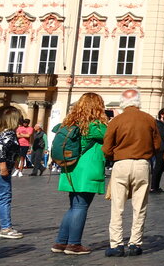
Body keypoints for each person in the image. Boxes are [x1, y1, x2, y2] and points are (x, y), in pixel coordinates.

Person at [103, 95, 161, 256]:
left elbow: (107, 146)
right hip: (142, 163)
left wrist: (112, 156)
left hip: (121, 163)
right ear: (138, 103)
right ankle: (135, 243)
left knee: (117, 207)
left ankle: (116, 244)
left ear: (123, 103)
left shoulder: (117, 120)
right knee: (140, 206)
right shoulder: (149, 119)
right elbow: (157, 144)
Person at [52, 92, 108, 255]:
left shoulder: (70, 122)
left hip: (71, 167)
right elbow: (111, 135)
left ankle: (61, 242)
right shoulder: (95, 125)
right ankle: (74, 244)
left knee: (74, 206)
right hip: (87, 169)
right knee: (81, 206)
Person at [0, 105, 23, 239]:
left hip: (6, 168)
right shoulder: (7, 134)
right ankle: (6, 228)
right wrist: (3, 167)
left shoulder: (7, 133)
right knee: (4, 198)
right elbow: (0, 149)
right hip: (2, 171)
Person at [150, 108, 164, 192]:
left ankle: (156, 186)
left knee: (161, 168)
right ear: (162, 115)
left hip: (163, 148)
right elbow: (162, 136)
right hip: (160, 148)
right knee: (157, 168)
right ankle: (153, 187)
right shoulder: (159, 124)